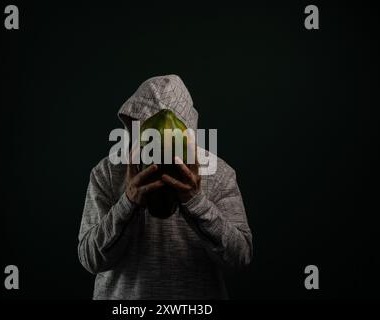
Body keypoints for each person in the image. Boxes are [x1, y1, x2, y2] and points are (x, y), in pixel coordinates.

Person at [78, 75, 252, 299]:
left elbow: (240, 258)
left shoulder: (218, 173)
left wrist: (195, 201)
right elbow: (90, 260)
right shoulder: (108, 172)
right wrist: (128, 202)